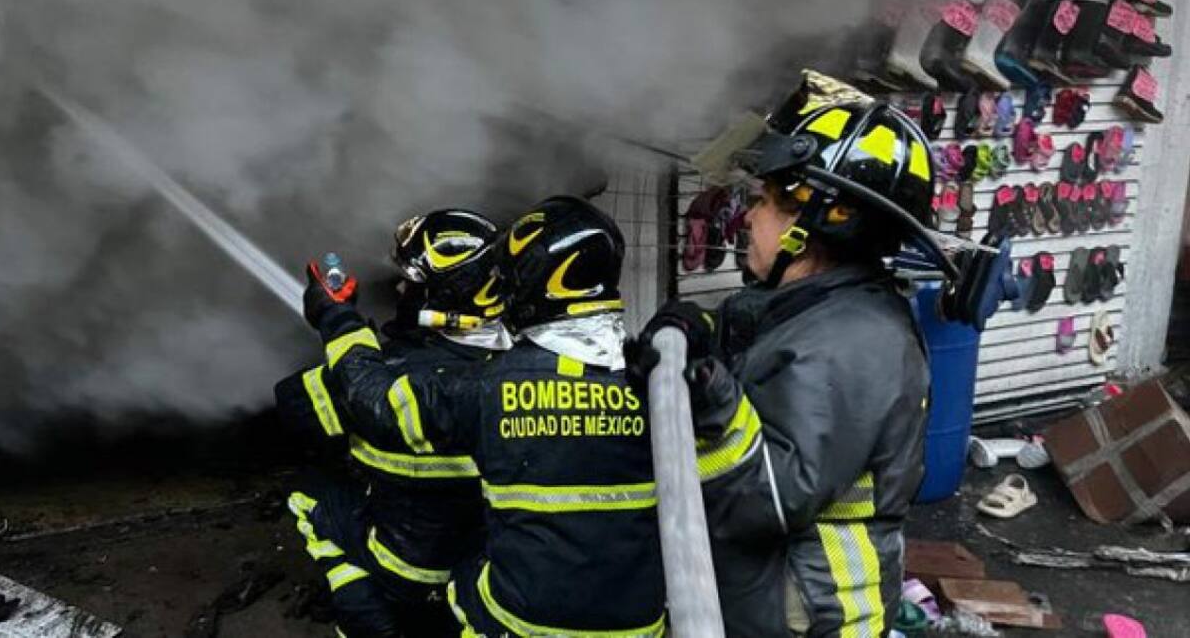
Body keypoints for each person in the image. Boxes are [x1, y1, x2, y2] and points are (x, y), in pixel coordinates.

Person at [632, 96, 933, 637]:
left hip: (810, 616)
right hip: (780, 598)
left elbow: (767, 497)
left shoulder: (855, 342)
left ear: (819, 219)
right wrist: (701, 333)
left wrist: (707, 394)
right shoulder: (825, 312)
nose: (749, 215)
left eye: (766, 200)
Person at [303, 195, 667, 637]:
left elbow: (375, 401)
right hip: (643, 624)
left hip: (513, 622)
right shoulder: (659, 380)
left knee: (314, 500)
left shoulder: (492, 388)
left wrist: (337, 317)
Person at [277, 209, 511, 638]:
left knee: (311, 495)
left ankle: (360, 609)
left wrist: (341, 325)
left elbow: (293, 406)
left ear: (440, 293)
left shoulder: (391, 375)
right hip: (486, 580)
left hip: (404, 575)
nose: (400, 289)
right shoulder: (522, 370)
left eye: (410, 282)